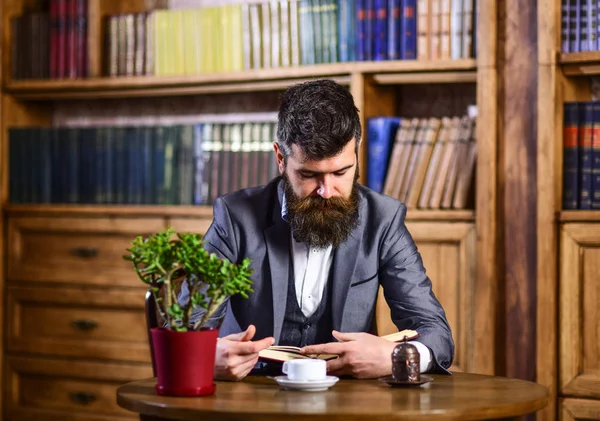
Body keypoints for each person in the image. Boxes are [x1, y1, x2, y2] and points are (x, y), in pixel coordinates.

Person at [184, 79, 454, 381]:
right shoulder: (234, 218)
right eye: (309, 175)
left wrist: (396, 357)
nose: (326, 191)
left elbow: (436, 334)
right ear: (280, 158)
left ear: (357, 153)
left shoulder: (384, 221)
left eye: (340, 172)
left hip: (348, 407)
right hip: (251, 399)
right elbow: (183, 328)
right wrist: (206, 357)